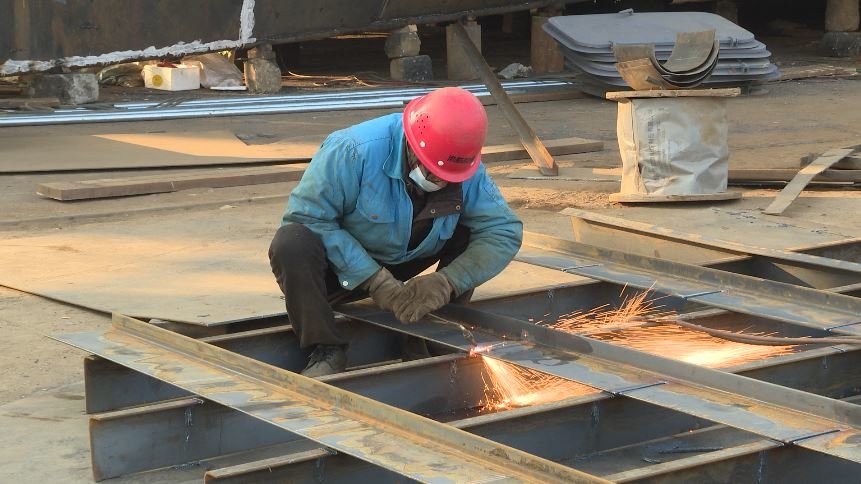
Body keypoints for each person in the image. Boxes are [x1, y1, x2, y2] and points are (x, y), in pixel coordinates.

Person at [268, 87, 522, 377]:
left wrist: (448, 282)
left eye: (445, 178)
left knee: (473, 233)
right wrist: (374, 280)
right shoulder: (352, 151)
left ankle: (430, 337)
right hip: (341, 270)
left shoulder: (463, 167)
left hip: (408, 257)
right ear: (413, 145)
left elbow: (503, 230)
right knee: (292, 242)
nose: (438, 181)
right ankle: (326, 349)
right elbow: (308, 216)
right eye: (431, 172)